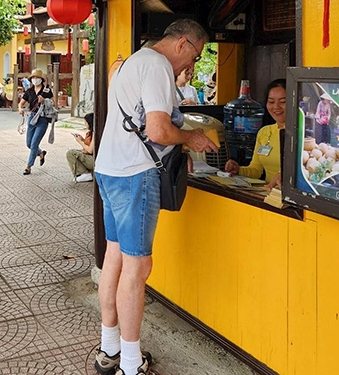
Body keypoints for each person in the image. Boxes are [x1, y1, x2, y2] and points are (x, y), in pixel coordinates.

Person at [93, 19, 218, 375]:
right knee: (137, 268)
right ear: (182, 43)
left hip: (109, 169)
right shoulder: (159, 67)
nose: (191, 65)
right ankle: (131, 364)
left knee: (114, 257)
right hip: (134, 175)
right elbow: (159, 130)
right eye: (194, 54)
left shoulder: (133, 61)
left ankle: (109, 346)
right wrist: (192, 138)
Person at [224, 79, 286, 190]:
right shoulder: (264, 132)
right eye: (271, 102)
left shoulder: (303, 136)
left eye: (283, 102)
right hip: (268, 195)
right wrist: (238, 169)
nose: (276, 107)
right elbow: (256, 170)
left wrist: (287, 177)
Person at [18, 68, 53, 175]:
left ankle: (28, 166)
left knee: (34, 144)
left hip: (42, 119)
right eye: (33, 78)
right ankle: (41, 153)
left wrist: (45, 100)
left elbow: (53, 103)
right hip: (32, 118)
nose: (35, 79)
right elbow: (22, 102)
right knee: (29, 143)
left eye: (37, 78)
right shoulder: (29, 91)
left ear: (41, 79)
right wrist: (20, 108)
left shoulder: (46, 90)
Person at [67, 113, 95, 183]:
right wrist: (82, 140)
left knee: (71, 153)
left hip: (95, 160)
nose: (84, 124)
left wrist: (80, 142)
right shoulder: (92, 132)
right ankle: (84, 174)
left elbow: (90, 150)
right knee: (76, 151)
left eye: (85, 122)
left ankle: (85, 174)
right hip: (95, 158)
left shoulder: (95, 133)